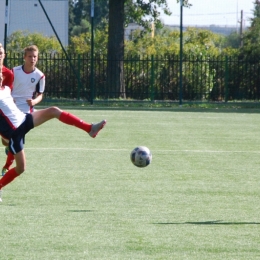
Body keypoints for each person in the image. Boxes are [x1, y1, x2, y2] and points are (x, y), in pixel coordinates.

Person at [0, 72, 107, 202]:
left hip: (24, 119)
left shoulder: (5, 89)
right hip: (15, 133)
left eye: (0, 76)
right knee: (21, 168)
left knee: (53, 111)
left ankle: (90, 129)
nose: (1, 78)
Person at [2, 45, 45, 176]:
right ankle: (10, 149)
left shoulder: (40, 75)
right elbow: (6, 87)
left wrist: (34, 102)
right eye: (30, 56)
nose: (32, 59)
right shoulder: (14, 71)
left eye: (35, 57)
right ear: (24, 57)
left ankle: (7, 166)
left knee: (19, 137)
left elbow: (40, 94)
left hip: (26, 110)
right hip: (11, 108)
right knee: (6, 140)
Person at [0, 43, 14, 175]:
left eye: (0, 53)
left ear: (4, 55)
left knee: (6, 141)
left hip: (2, 113)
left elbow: (8, 94)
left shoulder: (8, 74)